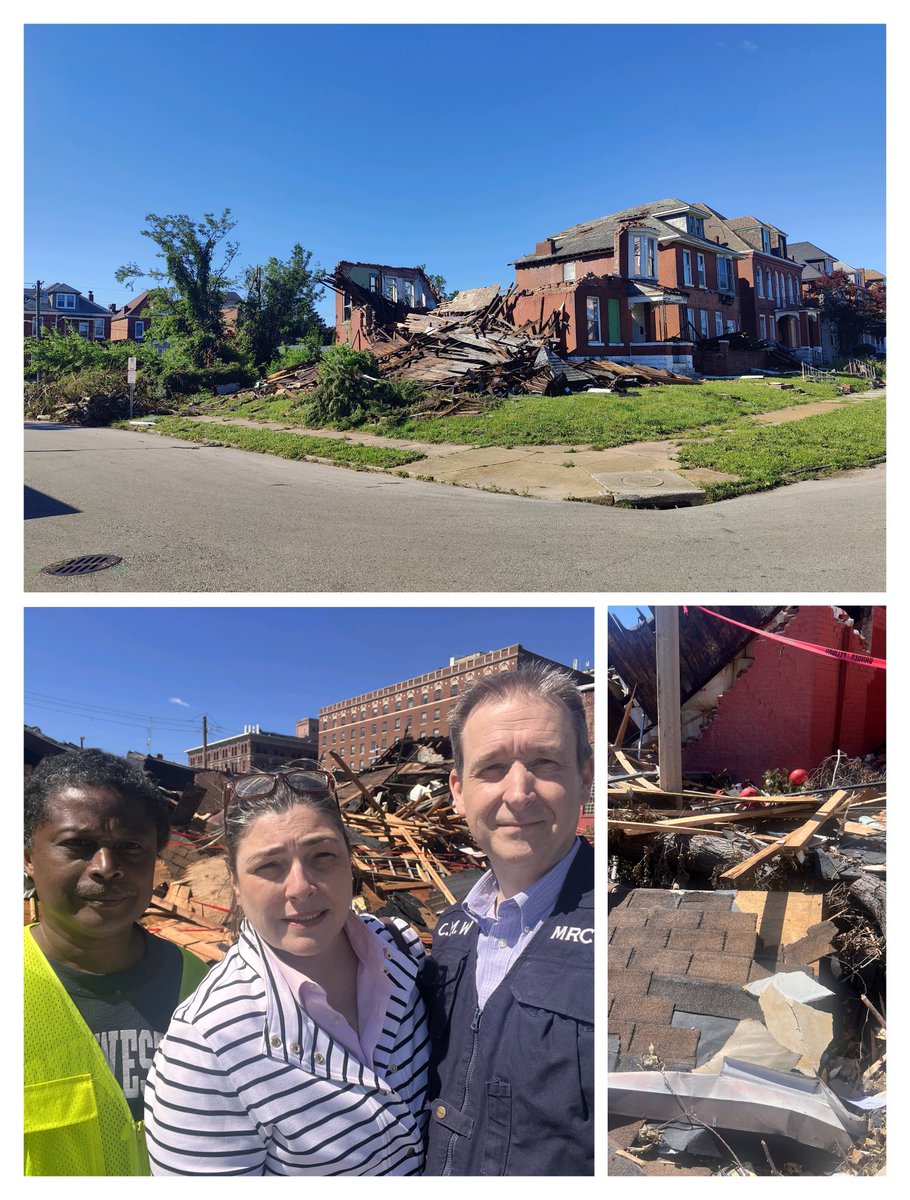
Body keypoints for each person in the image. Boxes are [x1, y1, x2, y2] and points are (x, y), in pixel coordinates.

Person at [144, 762, 430, 1175]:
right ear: (236, 885)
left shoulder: (402, 952)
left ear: (350, 862)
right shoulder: (208, 1047)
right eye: (270, 866)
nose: (301, 887)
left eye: (323, 856)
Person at [423, 664, 595, 1175]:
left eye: (545, 762)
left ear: (585, 775)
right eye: (492, 768)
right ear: (458, 790)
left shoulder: (619, 934)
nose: (518, 793)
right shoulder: (451, 931)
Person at [24, 749, 209, 1176]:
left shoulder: (198, 986)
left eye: (130, 847)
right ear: (29, 858)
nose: (106, 868)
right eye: (77, 845)